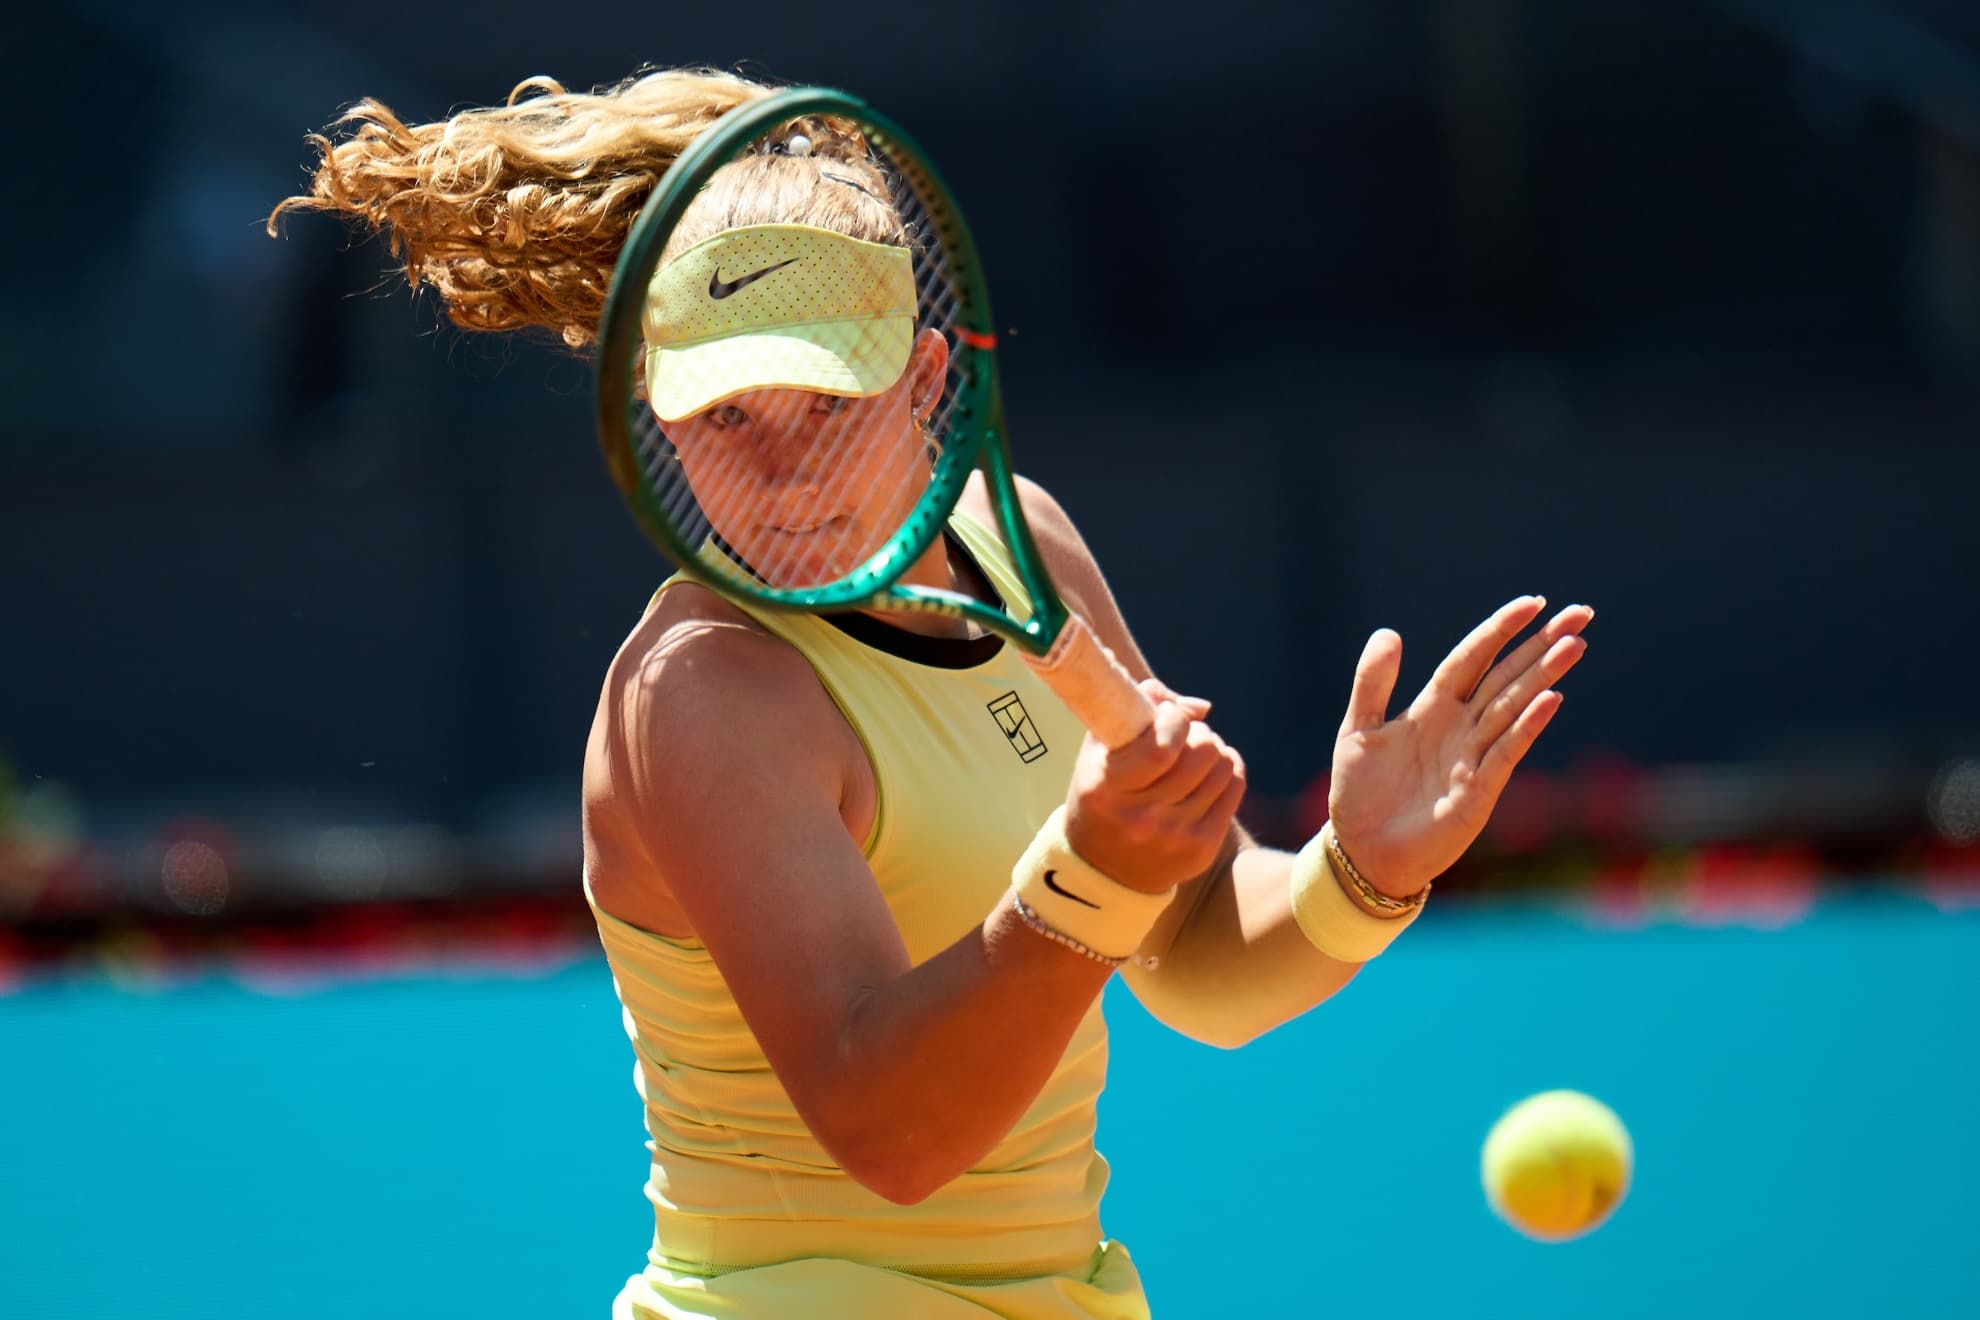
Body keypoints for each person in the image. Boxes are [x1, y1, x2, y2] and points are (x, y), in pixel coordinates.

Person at [271, 66, 1593, 1319]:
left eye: (827, 405)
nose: (779, 469)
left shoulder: (1026, 540)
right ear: (656, 420)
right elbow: (891, 1132)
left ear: (927, 378)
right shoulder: (706, 695)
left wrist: (1356, 874)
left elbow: (1198, 965)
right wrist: (1091, 867)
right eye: (726, 418)